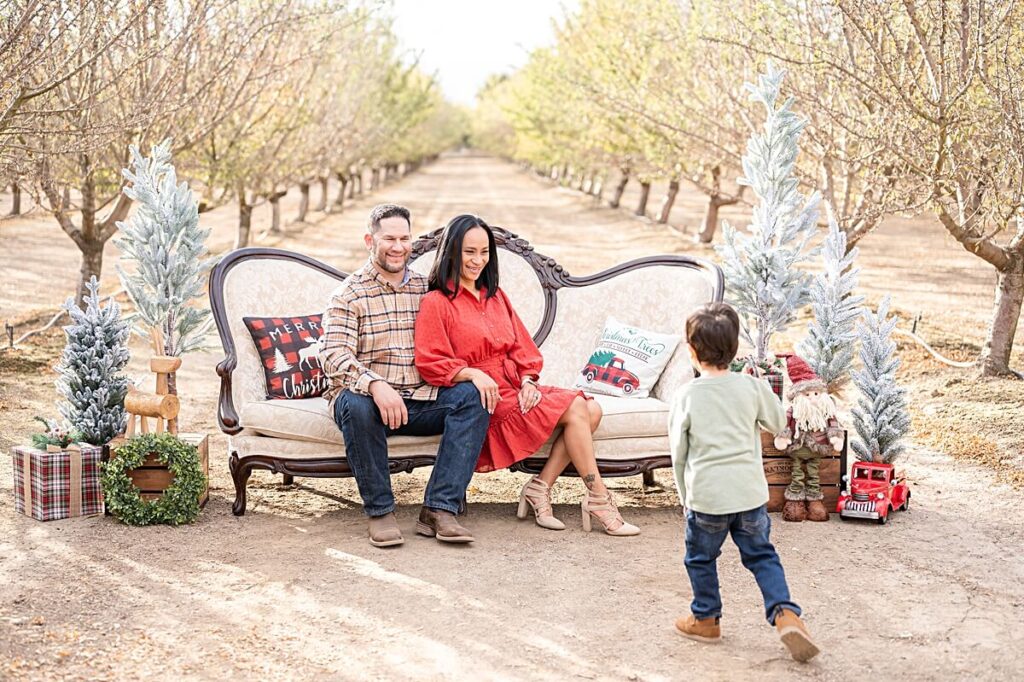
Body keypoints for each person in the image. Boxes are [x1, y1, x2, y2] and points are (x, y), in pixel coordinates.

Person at [414, 214, 639, 536]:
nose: (478, 261)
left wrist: (528, 381)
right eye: (469, 252)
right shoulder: (437, 302)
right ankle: (598, 498)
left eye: (484, 252)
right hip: (482, 399)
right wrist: (471, 374)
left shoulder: (496, 296)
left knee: (591, 409)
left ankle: (541, 486)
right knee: (578, 408)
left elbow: (522, 348)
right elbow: (430, 361)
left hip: (513, 386)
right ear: (451, 252)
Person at [319, 204, 491, 548]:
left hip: (421, 399)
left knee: (474, 398)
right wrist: (375, 384)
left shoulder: (427, 288)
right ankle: (380, 512)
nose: (397, 246)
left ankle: (439, 509)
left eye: (404, 238)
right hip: (370, 401)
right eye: (388, 238)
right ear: (370, 240)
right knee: (354, 405)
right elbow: (332, 354)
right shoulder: (349, 294)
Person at [668, 302, 819, 662]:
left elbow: (678, 453)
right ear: (735, 349)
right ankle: (785, 613)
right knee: (762, 556)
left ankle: (706, 618)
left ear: (691, 352)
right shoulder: (750, 387)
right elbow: (777, 422)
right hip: (750, 496)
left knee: (701, 558)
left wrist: (684, 495)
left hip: (707, 499)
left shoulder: (686, 396)